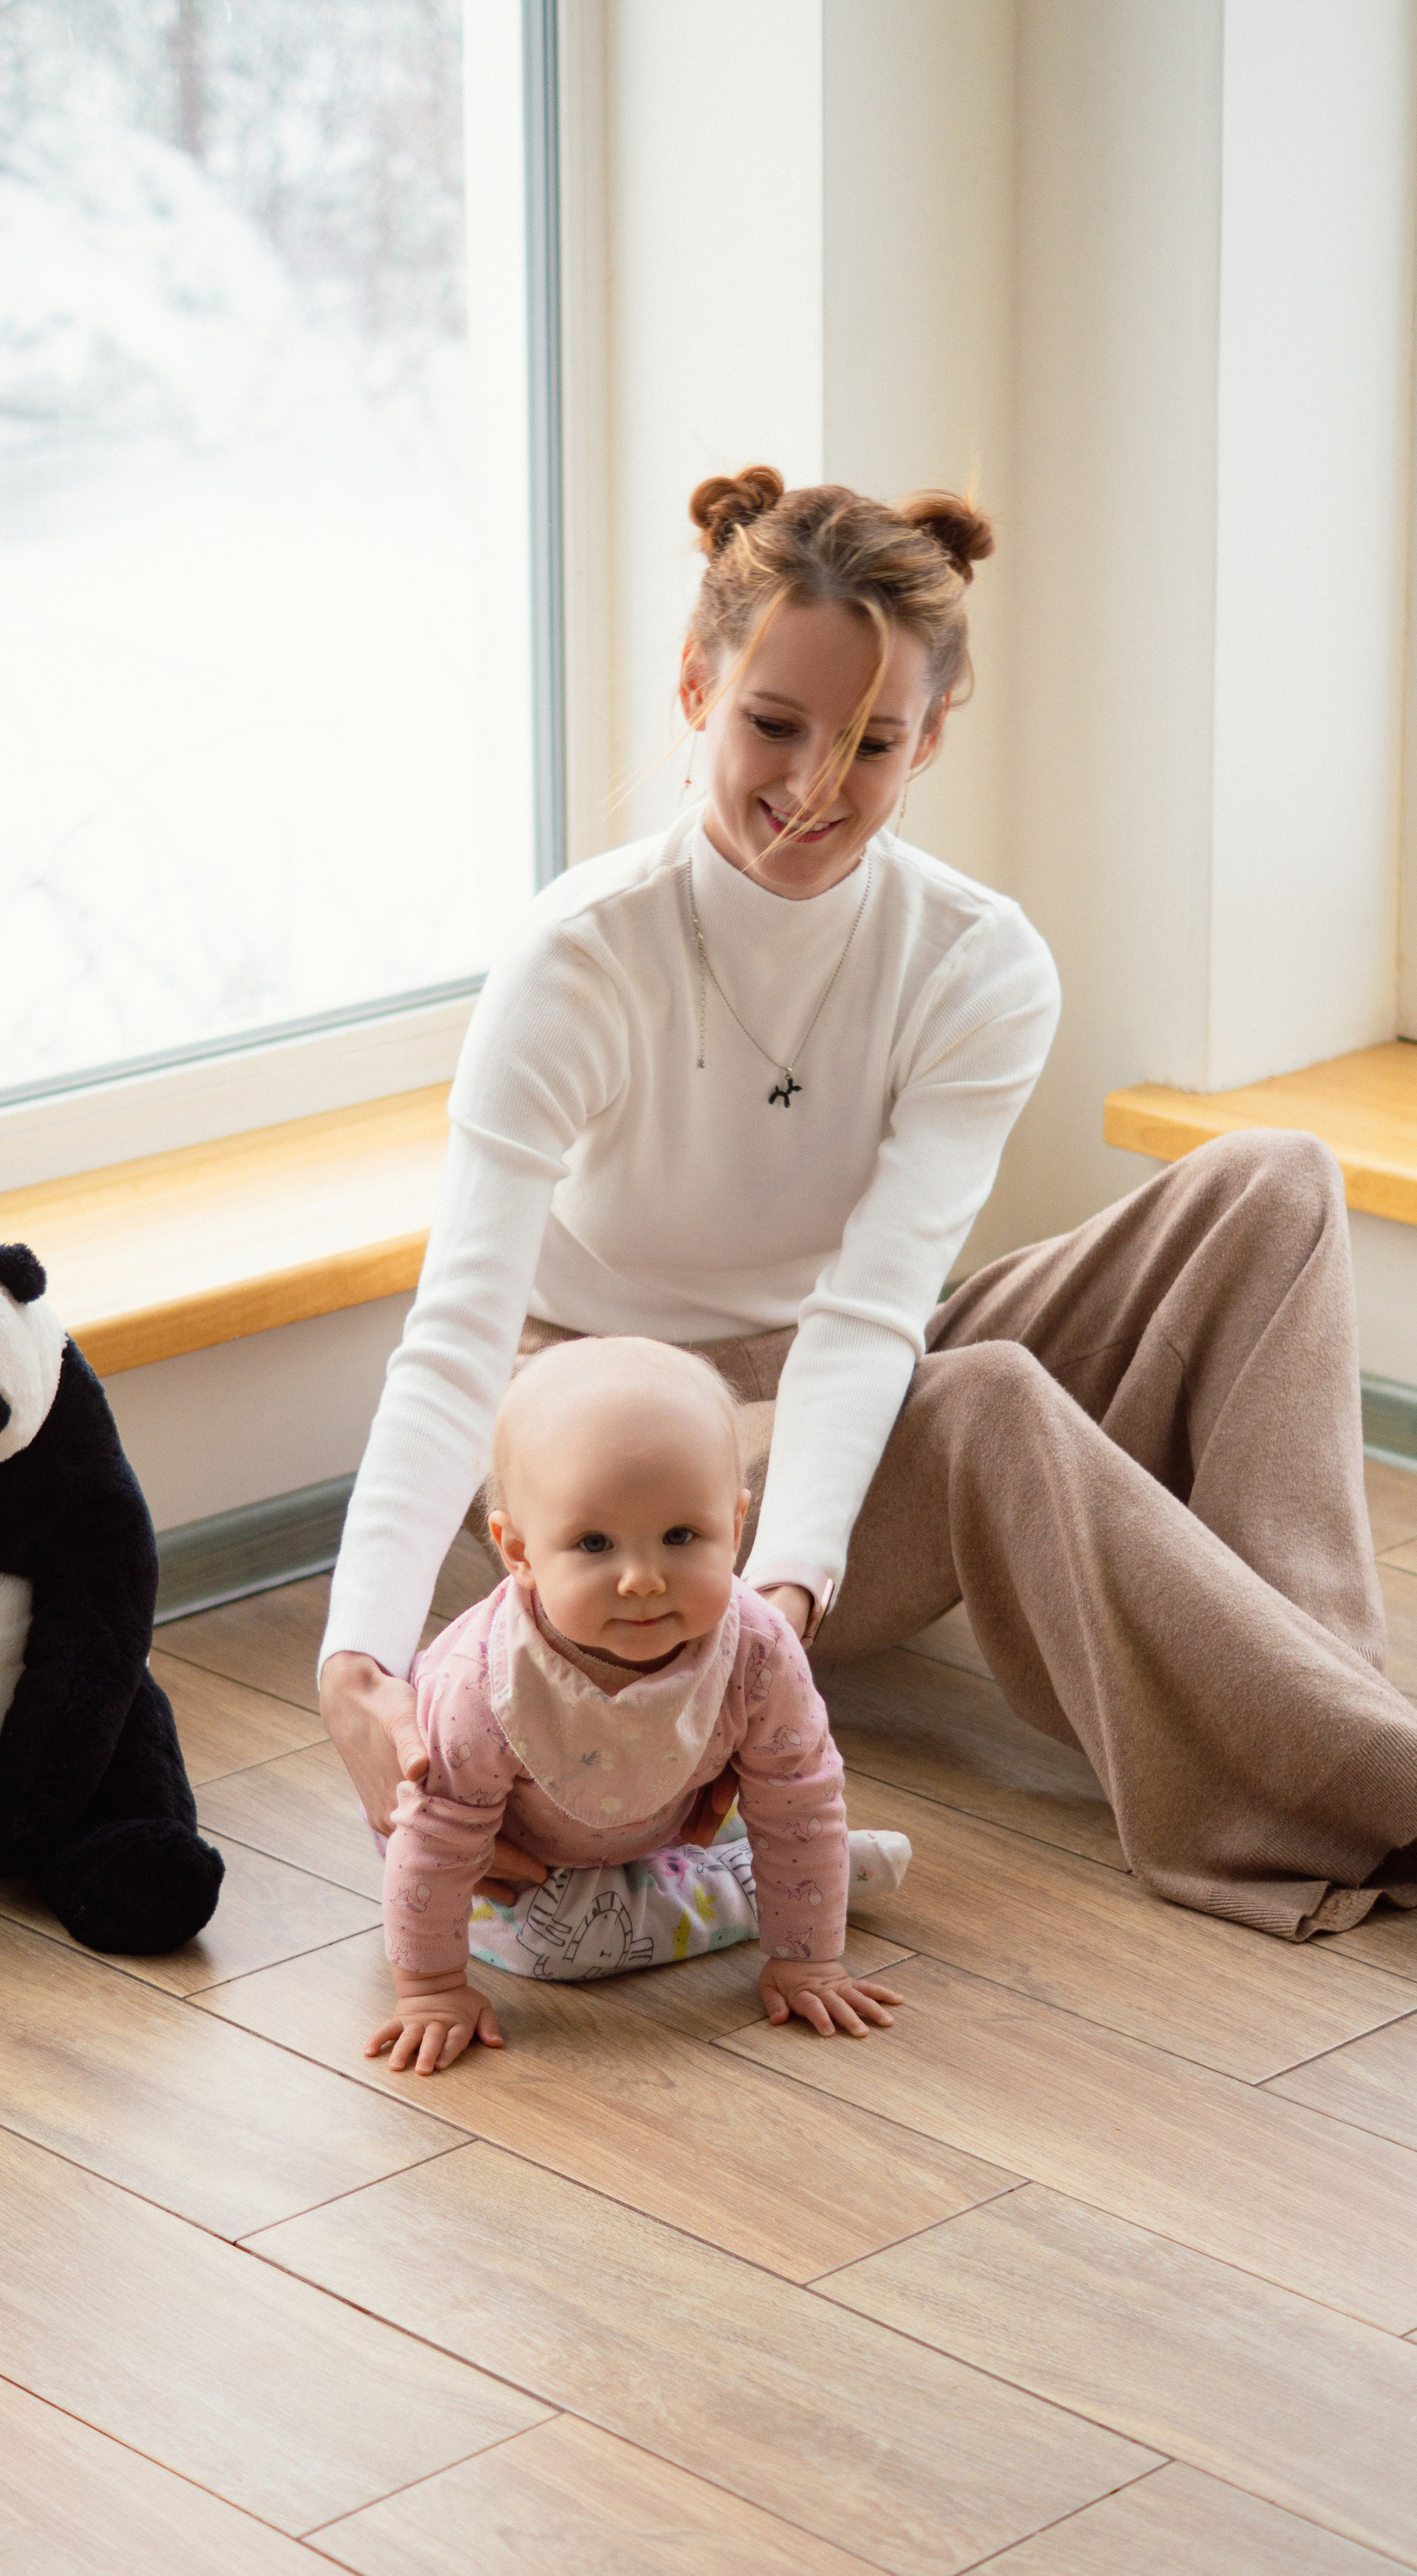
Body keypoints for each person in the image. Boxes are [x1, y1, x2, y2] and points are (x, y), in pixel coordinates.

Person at [323, 466, 1417, 1943]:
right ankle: (1366, 1784)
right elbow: (454, 1336)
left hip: (830, 1400)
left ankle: (1332, 1707)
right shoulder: (579, 958)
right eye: (773, 724)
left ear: (930, 736)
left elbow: (867, 1314)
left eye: (870, 744)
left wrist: (783, 1596)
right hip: (604, 1457)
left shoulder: (976, 961)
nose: (811, 788)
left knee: (1271, 1185)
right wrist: (356, 1663)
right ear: (696, 683)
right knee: (987, 1406)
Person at [368, 1336, 908, 2075]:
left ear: (737, 1524)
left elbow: (799, 1791)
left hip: (670, 1803)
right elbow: (435, 1842)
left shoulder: (756, 1647)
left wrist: (806, 1960)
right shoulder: (483, 1686)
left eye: (681, 1536)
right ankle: (745, 1890)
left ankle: (791, 1879)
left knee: (797, 1813)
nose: (643, 1579)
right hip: (519, 1863)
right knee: (559, 1944)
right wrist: (429, 1988)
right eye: (594, 1543)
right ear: (517, 1551)